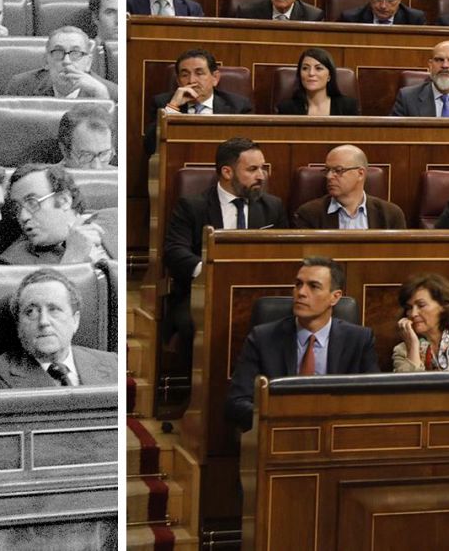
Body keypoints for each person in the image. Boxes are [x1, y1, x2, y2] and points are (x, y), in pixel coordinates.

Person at [225, 256, 378, 431]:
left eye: (313, 286)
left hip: (338, 437)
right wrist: (282, 419)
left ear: (335, 297)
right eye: (298, 284)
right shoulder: (263, 338)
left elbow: (373, 400)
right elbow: (236, 403)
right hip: (277, 435)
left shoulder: (359, 340)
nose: (301, 292)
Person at [161, 137, 287, 343]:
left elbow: (283, 253)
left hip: (259, 293)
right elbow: (175, 251)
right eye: (252, 169)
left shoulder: (273, 207)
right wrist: (213, 272)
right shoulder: (193, 206)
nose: (261, 176)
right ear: (227, 172)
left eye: (262, 168)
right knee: (192, 325)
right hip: (204, 293)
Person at [0, 268, 119, 390]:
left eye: (54, 309)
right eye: (31, 312)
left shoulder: (114, 364)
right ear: (18, 325)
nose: (43, 322)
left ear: (75, 320)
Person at [1, 163, 116, 265]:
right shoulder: (14, 261)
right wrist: (73, 258)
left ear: (64, 200)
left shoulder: (117, 219)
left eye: (32, 203)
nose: (23, 217)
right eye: (17, 207)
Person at [144, 48, 253, 153]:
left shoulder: (238, 106)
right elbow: (150, 147)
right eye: (185, 75)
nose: (191, 81)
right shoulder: (162, 103)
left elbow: (247, 151)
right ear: (178, 81)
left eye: (199, 73)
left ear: (215, 78)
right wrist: (173, 107)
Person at [292, 144, 404, 228]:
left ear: (360, 174)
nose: (329, 176)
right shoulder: (309, 214)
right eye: (327, 170)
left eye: (338, 170)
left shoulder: (390, 214)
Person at [6, 27, 117, 100]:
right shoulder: (20, 88)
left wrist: (102, 100)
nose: (67, 61)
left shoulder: (113, 94)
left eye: (75, 53)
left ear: (88, 62)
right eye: (58, 52)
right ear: (45, 61)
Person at [276, 48, 359, 116]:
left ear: (329, 76)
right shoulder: (286, 109)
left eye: (318, 68)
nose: (311, 73)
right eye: (305, 68)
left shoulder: (348, 107)